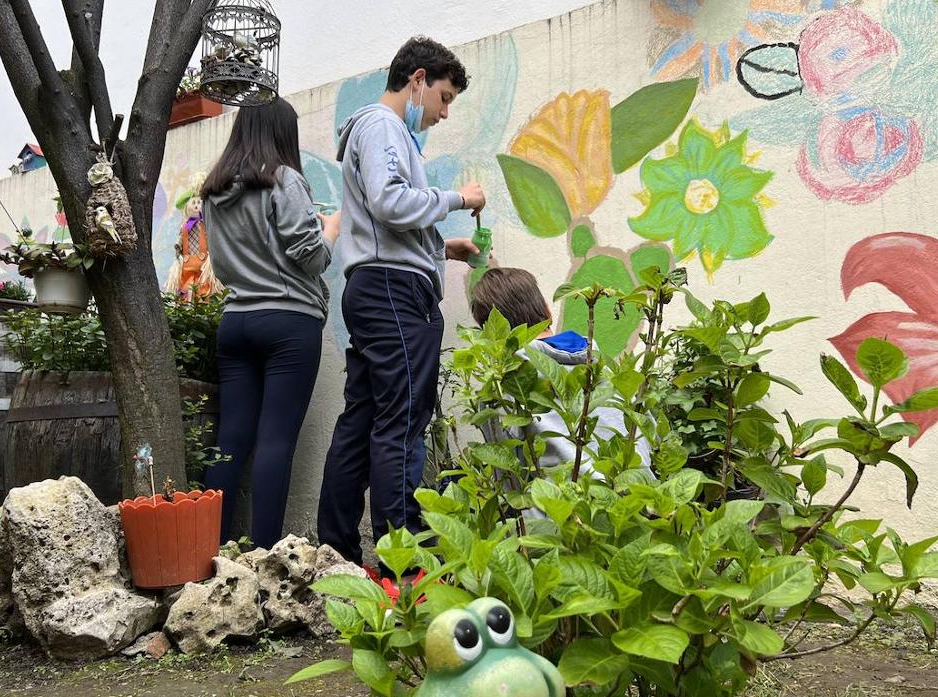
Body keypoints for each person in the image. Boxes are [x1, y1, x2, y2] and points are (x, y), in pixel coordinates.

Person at [317, 37, 486, 568]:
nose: (442, 112)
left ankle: (337, 549)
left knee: (365, 416)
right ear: (417, 79)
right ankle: (402, 553)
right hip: (392, 291)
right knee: (405, 416)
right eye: (443, 96)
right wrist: (460, 199)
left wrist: (440, 246)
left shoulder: (382, 133)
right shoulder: (383, 126)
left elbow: (378, 215)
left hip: (376, 285)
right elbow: (390, 201)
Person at [201, 97, 340, 548]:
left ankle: (208, 549)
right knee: (276, 441)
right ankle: (264, 557)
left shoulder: (214, 191)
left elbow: (220, 266)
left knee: (230, 440)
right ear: (282, 133)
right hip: (288, 322)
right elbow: (310, 255)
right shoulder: (285, 179)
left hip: (236, 322)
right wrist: (331, 230)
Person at [469, 267, 653, 476]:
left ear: (490, 336)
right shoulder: (612, 373)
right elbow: (649, 437)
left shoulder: (501, 392)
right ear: (548, 310)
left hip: (562, 505)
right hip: (641, 500)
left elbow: (508, 476)